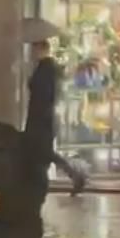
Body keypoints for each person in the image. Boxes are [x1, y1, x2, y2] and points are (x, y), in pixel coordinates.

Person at [22, 18, 87, 200]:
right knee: (42, 154)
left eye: (34, 48)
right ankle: (42, 184)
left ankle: (75, 175)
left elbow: (43, 96)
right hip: (42, 119)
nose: (32, 52)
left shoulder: (46, 68)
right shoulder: (46, 68)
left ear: (40, 48)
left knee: (44, 153)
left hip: (41, 120)